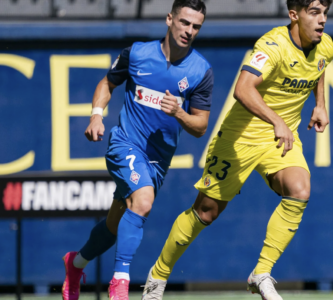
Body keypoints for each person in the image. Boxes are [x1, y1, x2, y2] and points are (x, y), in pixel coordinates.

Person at [140, 1, 333, 300]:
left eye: (325, 13)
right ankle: (158, 275)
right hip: (240, 138)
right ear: (294, 15)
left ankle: (261, 273)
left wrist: (319, 104)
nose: (322, 20)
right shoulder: (272, 46)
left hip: (278, 139)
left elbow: (319, 67)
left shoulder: (325, 45)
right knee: (206, 212)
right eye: (314, 13)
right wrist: (277, 120)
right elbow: (243, 88)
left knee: (300, 189)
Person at [60, 1, 212, 299]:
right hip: (125, 144)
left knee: (117, 224)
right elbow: (107, 83)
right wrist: (95, 114)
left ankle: (75, 264)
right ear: (170, 19)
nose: (189, 31)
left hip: (157, 160)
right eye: (184, 23)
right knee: (143, 202)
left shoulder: (200, 70)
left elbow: (201, 126)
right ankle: (120, 284)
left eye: (196, 26)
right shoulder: (138, 53)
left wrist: (180, 114)